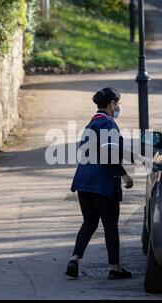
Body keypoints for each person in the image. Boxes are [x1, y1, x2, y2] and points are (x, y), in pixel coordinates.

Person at [66, 87, 134, 280]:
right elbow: (109, 155)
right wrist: (124, 175)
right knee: (110, 225)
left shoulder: (91, 124)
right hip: (101, 183)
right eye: (118, 104)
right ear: (112, 104)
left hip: (83, 182)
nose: (119, 107)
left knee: (89, 222)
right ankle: (115, 268)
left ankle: (74, 259)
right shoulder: (108, 123)